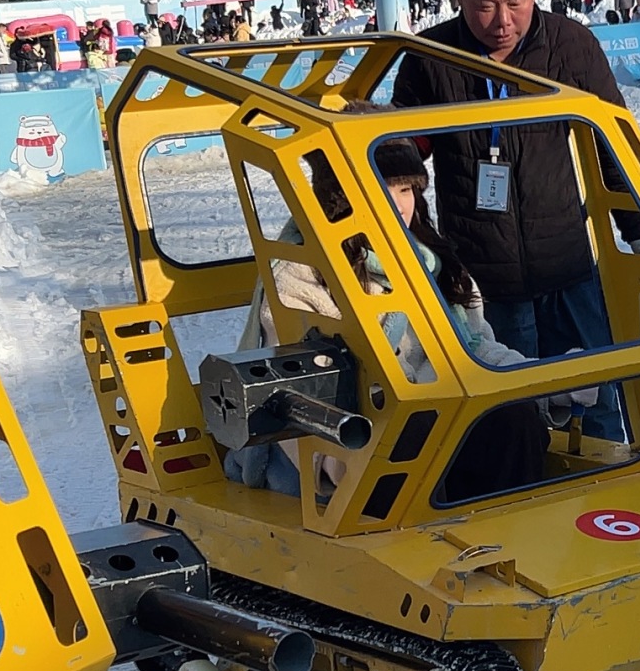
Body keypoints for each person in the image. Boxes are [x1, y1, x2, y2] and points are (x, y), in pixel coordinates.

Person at [390, 0, 640, 440]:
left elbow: (614, 143)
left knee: (596, 399)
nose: (502, 22)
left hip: (567, 268)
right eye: (485, 6)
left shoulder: (570, 44)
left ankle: (611, 503)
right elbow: (403, 162)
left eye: (516, 2)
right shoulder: (430, 58)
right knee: (513, 415)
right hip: (485, 279)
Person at [229, 115, 563, 502]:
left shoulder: (431, 262)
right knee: (408, 444)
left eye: (405, 188)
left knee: (514, 421)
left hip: (432, 419)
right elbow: (298, 394)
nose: (398, 203)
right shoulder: (299, 275)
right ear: (341, 197)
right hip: (347, 445)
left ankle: (510, 536)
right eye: (379, 188)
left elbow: (473, 350)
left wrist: (538, 382)